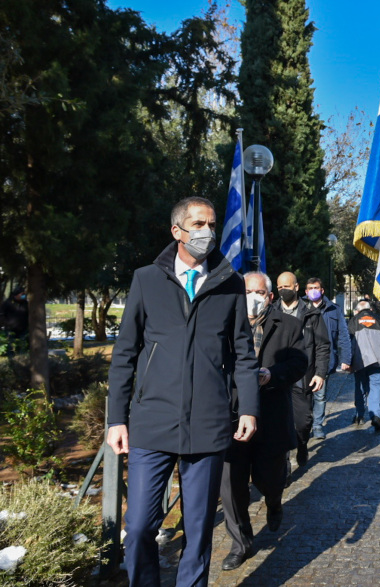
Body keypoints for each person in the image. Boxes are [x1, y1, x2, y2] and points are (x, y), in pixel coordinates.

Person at [106, 196, 259, 586]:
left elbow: (243, 354)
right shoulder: (146, 279)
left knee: (198, 529)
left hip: (207, 426)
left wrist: (249, 409)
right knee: (139, 525)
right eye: (197, 224)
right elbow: (125, 353)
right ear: (177, 231)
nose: (207, 232)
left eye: (211, 224)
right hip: (151, 422)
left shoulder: (230, 283)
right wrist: (116, 419)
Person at [219, 272, 308, 571]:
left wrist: (272, 375)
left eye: (258, 292)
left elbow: (299, 363)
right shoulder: (222, 323)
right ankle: (241, 543)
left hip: (269, 415)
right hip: (231, 416)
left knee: (269, 478)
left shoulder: (290, 325)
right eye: (247, 291)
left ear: (269, 296)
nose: (253, 297)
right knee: (231, 484)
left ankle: (274, 501)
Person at [274, 271, 330, 463]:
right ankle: (285, 463)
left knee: (303, 421)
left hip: (303, 376)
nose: (283, 291)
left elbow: (322, 345)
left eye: (286, 287)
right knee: (280, 423)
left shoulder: (311, 314)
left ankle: (302, 444)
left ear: (296, 287)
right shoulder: (273, 312)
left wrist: (320, 373)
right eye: (279, 287)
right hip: (278, 376)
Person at [304, 277, 351, 439]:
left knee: (320, 395)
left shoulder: (334, 309)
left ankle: (317, 426)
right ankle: (304, 423)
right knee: (303, 395)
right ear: (305, 291)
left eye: (316, 287)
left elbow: (343, 336)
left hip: (325, 359)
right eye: (310, 288)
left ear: (322, 290)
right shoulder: (302, 307)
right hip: (304, 359)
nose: (313, 290)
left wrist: (346, 358)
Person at [349, 298, 380, 431]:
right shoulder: (379, 320)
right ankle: (375, 415)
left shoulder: (353, 321)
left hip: (359, 361)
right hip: (377, 361)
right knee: (375, 387)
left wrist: (349, 362)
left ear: (358, 310)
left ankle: (359, 415)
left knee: (360, 387)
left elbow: (348, 343)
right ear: (370, 309)